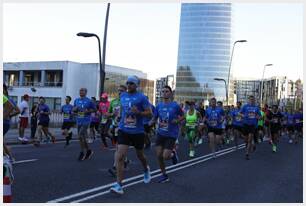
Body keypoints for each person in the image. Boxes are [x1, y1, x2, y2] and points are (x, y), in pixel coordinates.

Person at [110, 75, 152, 195]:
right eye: (128, 83)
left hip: (137, 132)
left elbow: (150, 114)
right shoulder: (123, 96)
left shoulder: (142, 98)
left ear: (136, 85)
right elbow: (123, 110)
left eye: (132, 83)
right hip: (124, 130)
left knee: (140, 155)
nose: (129, 85)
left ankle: (146, 169)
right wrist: (119, 118)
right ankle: (119, 185)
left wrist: (138, 112)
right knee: (120, 156)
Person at [152, 85, 184, 182]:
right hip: (160, 133)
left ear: (170, 93)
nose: (165, 93)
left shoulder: (175, 105)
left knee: (165, 156)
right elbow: (155, 117)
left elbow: (183, 116)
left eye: (167, 91)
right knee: (158, 155)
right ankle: (164, 175)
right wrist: (149, 123)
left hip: (171, 134)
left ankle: (173, 154)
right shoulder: (159, 106)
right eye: (163, 91)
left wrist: (177, 121)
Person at [108, 85, 131, 177]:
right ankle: (124, 161)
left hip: (125, 128)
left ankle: (115, 167)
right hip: (116, 127)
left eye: (122, 91)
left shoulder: (129, 102)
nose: (119, 92)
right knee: (118, 148)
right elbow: (109, 114)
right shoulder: (114, 102)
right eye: (119, 91)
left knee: (118, 148)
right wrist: (110, 116)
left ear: (126, 91)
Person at [73, 88, 96, 161]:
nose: (81, 92)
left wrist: (88, 111)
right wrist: (74, 109)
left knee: (80, 135)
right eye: (80, 90)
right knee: (81, 138)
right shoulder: (76, 100)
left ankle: (82, 152)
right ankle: (88, 150)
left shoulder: (89, 101)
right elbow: (74, 109)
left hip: (86, 120)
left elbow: (95, 109)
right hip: (79, 120)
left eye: (82, 91)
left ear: (86, 92)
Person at [240, 96, 261, 160]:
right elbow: (240, 113)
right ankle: (253, 145)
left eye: (253, 100)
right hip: (245, 124)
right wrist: (243, 115)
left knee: (249, 139)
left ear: (254, 100)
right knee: (246, 140)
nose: (251, 101)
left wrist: (258, 117)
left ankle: (247, 154)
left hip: (252, 125)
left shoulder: (256, 108)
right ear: (248, 100)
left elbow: (259, 116)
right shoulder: (245, 106)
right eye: (250, 100)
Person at [3, 84, 20, 161]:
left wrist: (7, 116)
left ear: (5, 90)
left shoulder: (7, 99)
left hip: (4, 122)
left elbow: (17, 110)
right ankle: (8, 157)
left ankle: (8, 157)